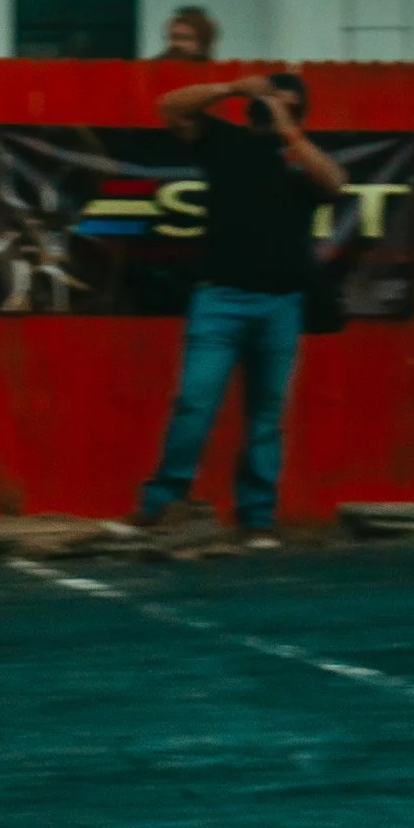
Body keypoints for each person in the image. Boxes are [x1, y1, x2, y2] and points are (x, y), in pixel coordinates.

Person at [134, 71, 347, 549]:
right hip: (221, 298)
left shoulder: (301, 159)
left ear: (299, 114)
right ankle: (163, 503)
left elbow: (335, 185)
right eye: (269, 102)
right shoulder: (224, 141)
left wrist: (289, 131)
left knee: (266, 414)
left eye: (287, 105)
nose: (273, 110)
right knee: (195, 400)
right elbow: (171, 105)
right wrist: (231, 88)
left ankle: (257, 517)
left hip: (281, 303)